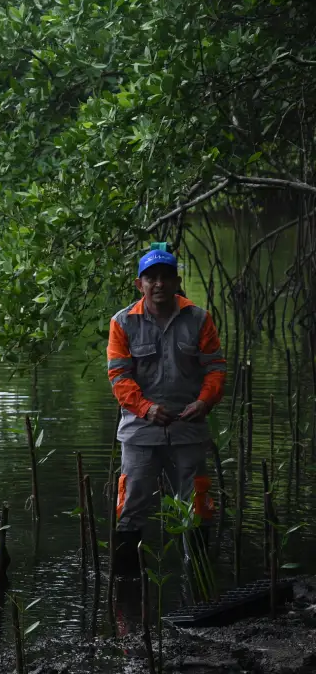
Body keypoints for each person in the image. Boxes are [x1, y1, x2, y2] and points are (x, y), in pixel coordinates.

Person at [106, 243, 227, 575]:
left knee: (197, 507)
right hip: (140, 431)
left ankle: (199, 580)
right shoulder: (122, 323)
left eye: (166, 277)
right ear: (139, 284)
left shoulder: (199, 318)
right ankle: (127, 591)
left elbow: (215, 368)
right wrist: (145, 408)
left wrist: (204, 401)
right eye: (151, 278)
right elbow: (118, 376)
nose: (159, 284)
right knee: (131, 506)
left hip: (189, 428)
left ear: (176, 281)